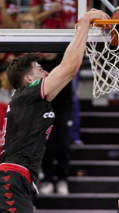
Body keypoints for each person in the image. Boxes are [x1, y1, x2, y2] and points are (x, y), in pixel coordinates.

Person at [0, 8, 110, 213]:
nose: (45, 71)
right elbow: (70, 68)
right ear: (29, 80)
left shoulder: (31, 99)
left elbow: (68, 71)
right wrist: (84, 26)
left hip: (19, 182)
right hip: (10, 180)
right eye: (40, 69)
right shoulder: (27, 95)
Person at [38, 53, 73, 195]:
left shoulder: (65, 63)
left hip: (63, 108)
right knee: (46, 146)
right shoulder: (37, 66)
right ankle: (47, 179)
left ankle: (62, 179)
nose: (49, 52)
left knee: (63, 146)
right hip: (43, 108)